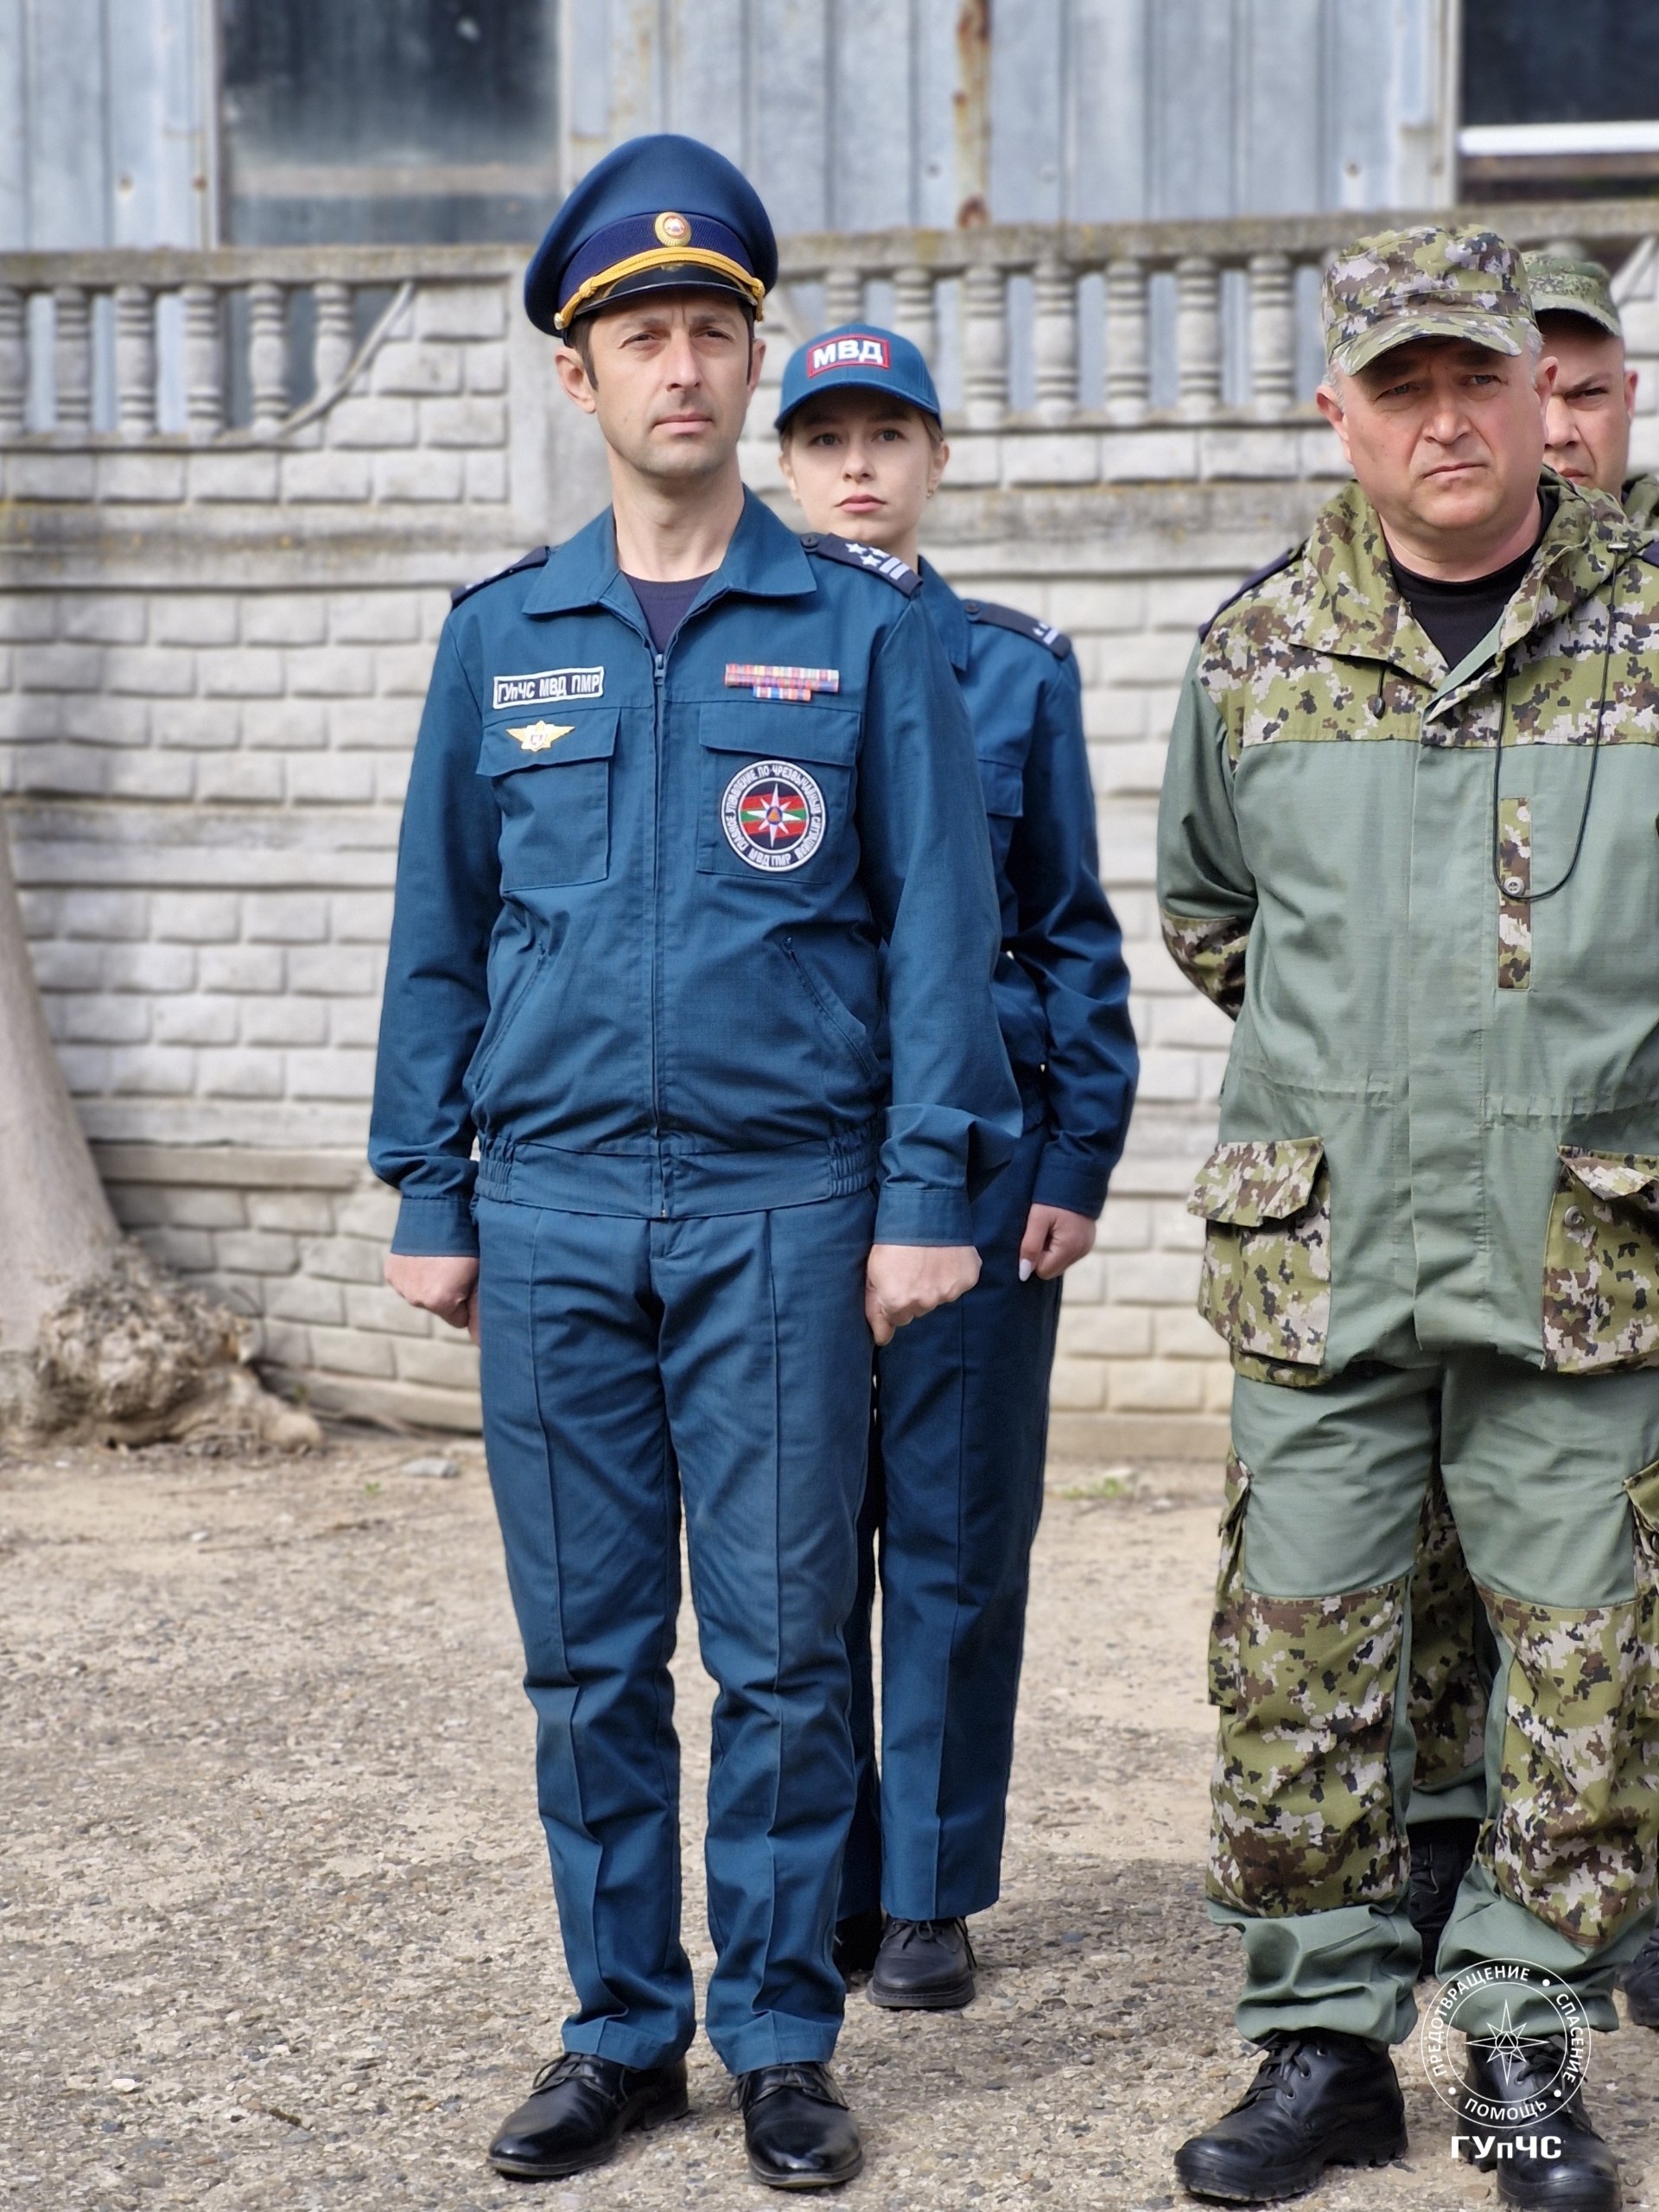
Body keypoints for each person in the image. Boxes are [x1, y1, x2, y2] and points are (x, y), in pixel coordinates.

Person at [370, 134, 1021, 2193]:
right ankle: (621, 2028)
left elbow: (939, 932)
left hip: (787, 1207)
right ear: (577, 376)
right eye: (641, 336)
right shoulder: (503, 636)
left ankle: (782, 2035)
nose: (680, 366)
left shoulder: (857, 631)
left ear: (750, 363)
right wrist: (427, 1182)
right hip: (553, 1205)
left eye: (711, 332)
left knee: (786, 1655)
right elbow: (440, 928)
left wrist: (924, 1193)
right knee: (586, 1660)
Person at [1159, 225, 1659, 2212]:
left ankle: (1526, 2043)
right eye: (1403, 387)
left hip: (1580, 1248)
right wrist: (1368, 1069)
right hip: (1330, 1247)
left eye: (1479, 379)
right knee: (1298, 1652)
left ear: (1547, 395)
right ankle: (1326, 2046)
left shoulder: (1651, 630)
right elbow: (1214, 917)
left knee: (1584, 1657)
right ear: (1337, 415)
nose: (1446, 420)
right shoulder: (1257, 651)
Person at [773, 326, 1138, 2008]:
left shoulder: (1013, 668)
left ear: (936, 456)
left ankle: (927, 1883)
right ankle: (827, 1880)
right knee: (797, 1537)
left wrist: (1078, 1152)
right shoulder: (738, 660)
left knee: (955, 1526)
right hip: (795, 1153)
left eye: (888, 435)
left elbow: (1071, 930)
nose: (858, 465)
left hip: (983, 1164)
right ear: (786, 461)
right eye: (826, 437)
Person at [1402, 251, 1659, 2014]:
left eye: (1583, 390)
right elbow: (1243, 917)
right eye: (1530, 387)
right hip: (1474, 1177)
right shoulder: (1372, 603)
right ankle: (1451, 1842)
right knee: (1444, 1541)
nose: (1553, 424)